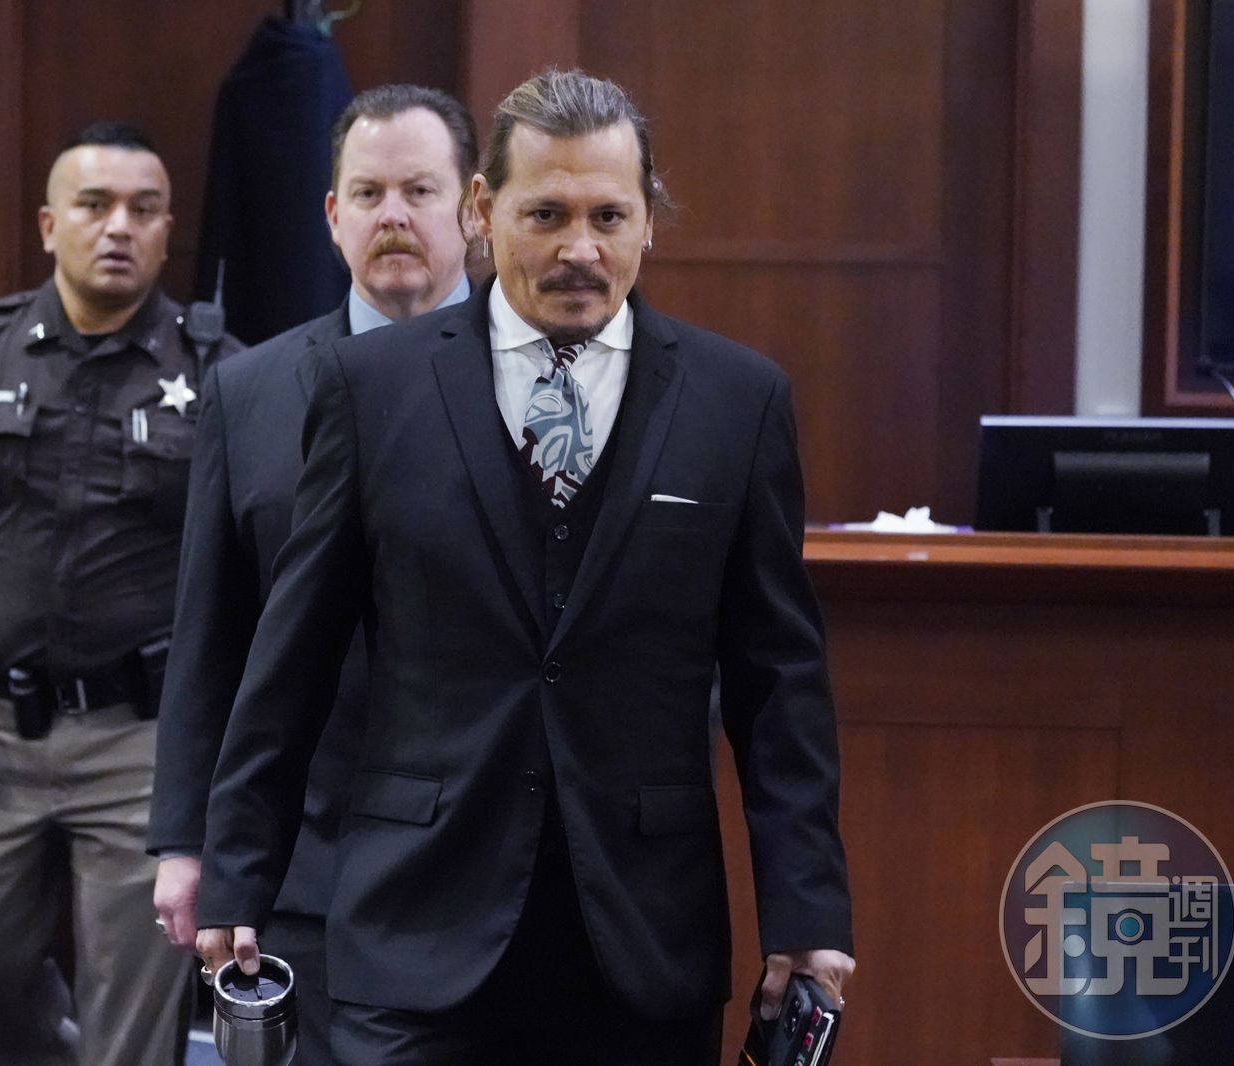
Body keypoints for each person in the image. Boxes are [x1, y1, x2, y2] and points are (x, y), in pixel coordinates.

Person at [192, 69, 856, 1064]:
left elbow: (778, 684)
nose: (579, 248)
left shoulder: (737, 402)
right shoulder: (368, 390)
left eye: (608, 216)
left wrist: (805, 909)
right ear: (481, 211)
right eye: (545, 214)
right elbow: (293, 656)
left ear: (648, 222)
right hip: (413, 923)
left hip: (642, 936)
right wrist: (237, 876)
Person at [0, 122, 239, 1066]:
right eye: (94, 205)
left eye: (144, 210)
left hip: (147, 740)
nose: (119, 227)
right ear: (48, 224)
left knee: (137, 1001)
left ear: (167, 230)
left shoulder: (221, 372)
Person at [148, 84, 476, 1064]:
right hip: (306, 853)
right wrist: (188, 842)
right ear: (333, 217)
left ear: (474, 209)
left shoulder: (544, 383)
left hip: (486, 861)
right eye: (368, 194)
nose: (393, 215)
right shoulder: (248, 392)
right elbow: (211, 633)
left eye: (420, 190)